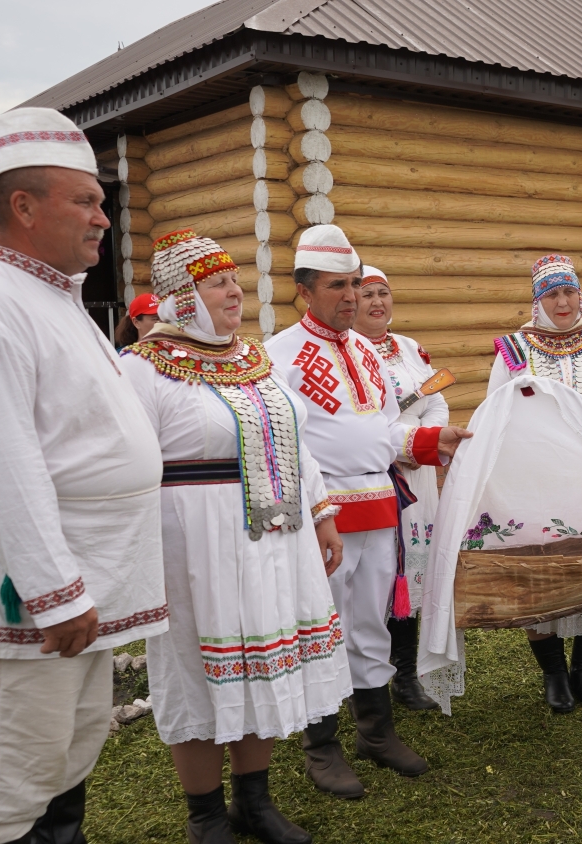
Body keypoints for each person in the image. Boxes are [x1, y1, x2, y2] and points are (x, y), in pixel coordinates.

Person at [0, 107, 167, 844]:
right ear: (23, 207)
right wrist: (53, 593)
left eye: (100, 200)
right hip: (32, 599)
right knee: (10, 779)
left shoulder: (53, 297)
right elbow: (2, 463)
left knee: (65, 755)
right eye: (85, 200)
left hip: (84, 578)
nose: (103, 216)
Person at [122, 229, 353, 844]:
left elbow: (295, 443)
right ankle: (205, 816)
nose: (234, 291)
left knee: (269, 664)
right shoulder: (142, 370)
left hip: (279, 537)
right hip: (194, 547)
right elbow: (121, 467)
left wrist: (323, 511)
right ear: (180, 296)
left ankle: (256, 801)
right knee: (199, 670)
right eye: (217, 282)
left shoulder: (255, 359)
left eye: (234, 280)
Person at [266, 224, 471, 799]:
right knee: (322, 623)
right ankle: (321, 744)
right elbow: (283, 444)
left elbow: (383, 430)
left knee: (370, 622)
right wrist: (316, 507)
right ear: (304, 290)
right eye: (338, 286)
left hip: (381, 505)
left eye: (356, 283)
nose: (352, 296)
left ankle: (375, 732)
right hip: (321, 514)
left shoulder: (366, 351)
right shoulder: (278, 356)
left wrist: (433, 440)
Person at [486, 254, 582, 714]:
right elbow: (496, 417)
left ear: (581, 294)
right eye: (552, 293)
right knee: (542, 573)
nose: (563, 301)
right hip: (537, 479)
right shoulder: (515, 350)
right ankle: (553, 674)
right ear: (537, 300)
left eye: (569, 291)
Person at [352, 264, 445, 711]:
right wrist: (393, 447)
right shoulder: (346, 352)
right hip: (370, 474)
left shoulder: (409, 349)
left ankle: (405, 678)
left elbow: (436, 402)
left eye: (383, 293)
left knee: (411, 575)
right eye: (367, 293)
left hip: (417, 474)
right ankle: (358, 681)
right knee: (371, 575)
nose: (376, 302)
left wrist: (423, 442)